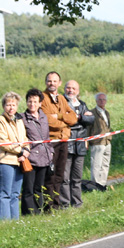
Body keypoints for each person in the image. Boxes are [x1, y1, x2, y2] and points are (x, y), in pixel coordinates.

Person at [40, 72, 78, 211]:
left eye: (55, 81)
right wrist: (64, 123)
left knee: (60, 175)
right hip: (51, 141)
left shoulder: (61, 98)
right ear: (46, 82)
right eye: (49, 81)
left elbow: (73, 118)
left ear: (59, 83)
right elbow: (47, 120)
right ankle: (48, 207)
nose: (52, 83)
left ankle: (56, 206)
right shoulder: (42, 98)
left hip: (63, 141)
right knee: (50, 176)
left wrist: (60, 115)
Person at [0, 92, 28, 220]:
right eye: (8, 105)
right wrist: (20, 151)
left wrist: (26, 151)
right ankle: (3, 222)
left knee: (15, 193)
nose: (11, 108)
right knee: (5, 193)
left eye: (13, 105)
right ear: (3, 106)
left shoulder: (19, 121)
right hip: (5, 161)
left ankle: (15, 221)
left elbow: (25, 138)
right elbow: (3, 142)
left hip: (19, 161)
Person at [60, 80, 94, 208]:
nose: (71, 90)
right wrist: (80, 118)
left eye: (73, 88)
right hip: (66, 145)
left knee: (77, 177)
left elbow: (91, 119)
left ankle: (77, 203)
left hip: (80, 145)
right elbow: (64, 119)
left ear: (78, 91)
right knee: (65, 177)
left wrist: (78, 118)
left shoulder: (82, 104)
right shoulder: (61, 103)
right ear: (64, 89)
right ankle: (65, 204)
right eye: (68, 88)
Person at [20, 88, 52, 215]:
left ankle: (38, 212)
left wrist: (51, 152)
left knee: (38, 188)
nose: (32, 104)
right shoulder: (22, 118)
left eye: (35, 102)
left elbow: (47, 137)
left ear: (40, 103)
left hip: (44, 158)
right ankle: (28, 214)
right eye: (29, 101)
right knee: (28, 188)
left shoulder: (44, 117)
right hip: (30, 158)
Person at [87, 92, 112, 190]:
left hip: (107, 142)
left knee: (105, 164)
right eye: (100, 99)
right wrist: (87, 141)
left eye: (103, 99)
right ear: (96, 101)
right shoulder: (92, 113)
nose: (102, 101)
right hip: (97, 142)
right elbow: (88, 128)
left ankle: (102, 184)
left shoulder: (107, 113)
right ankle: (95, 185)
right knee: (96, 165)